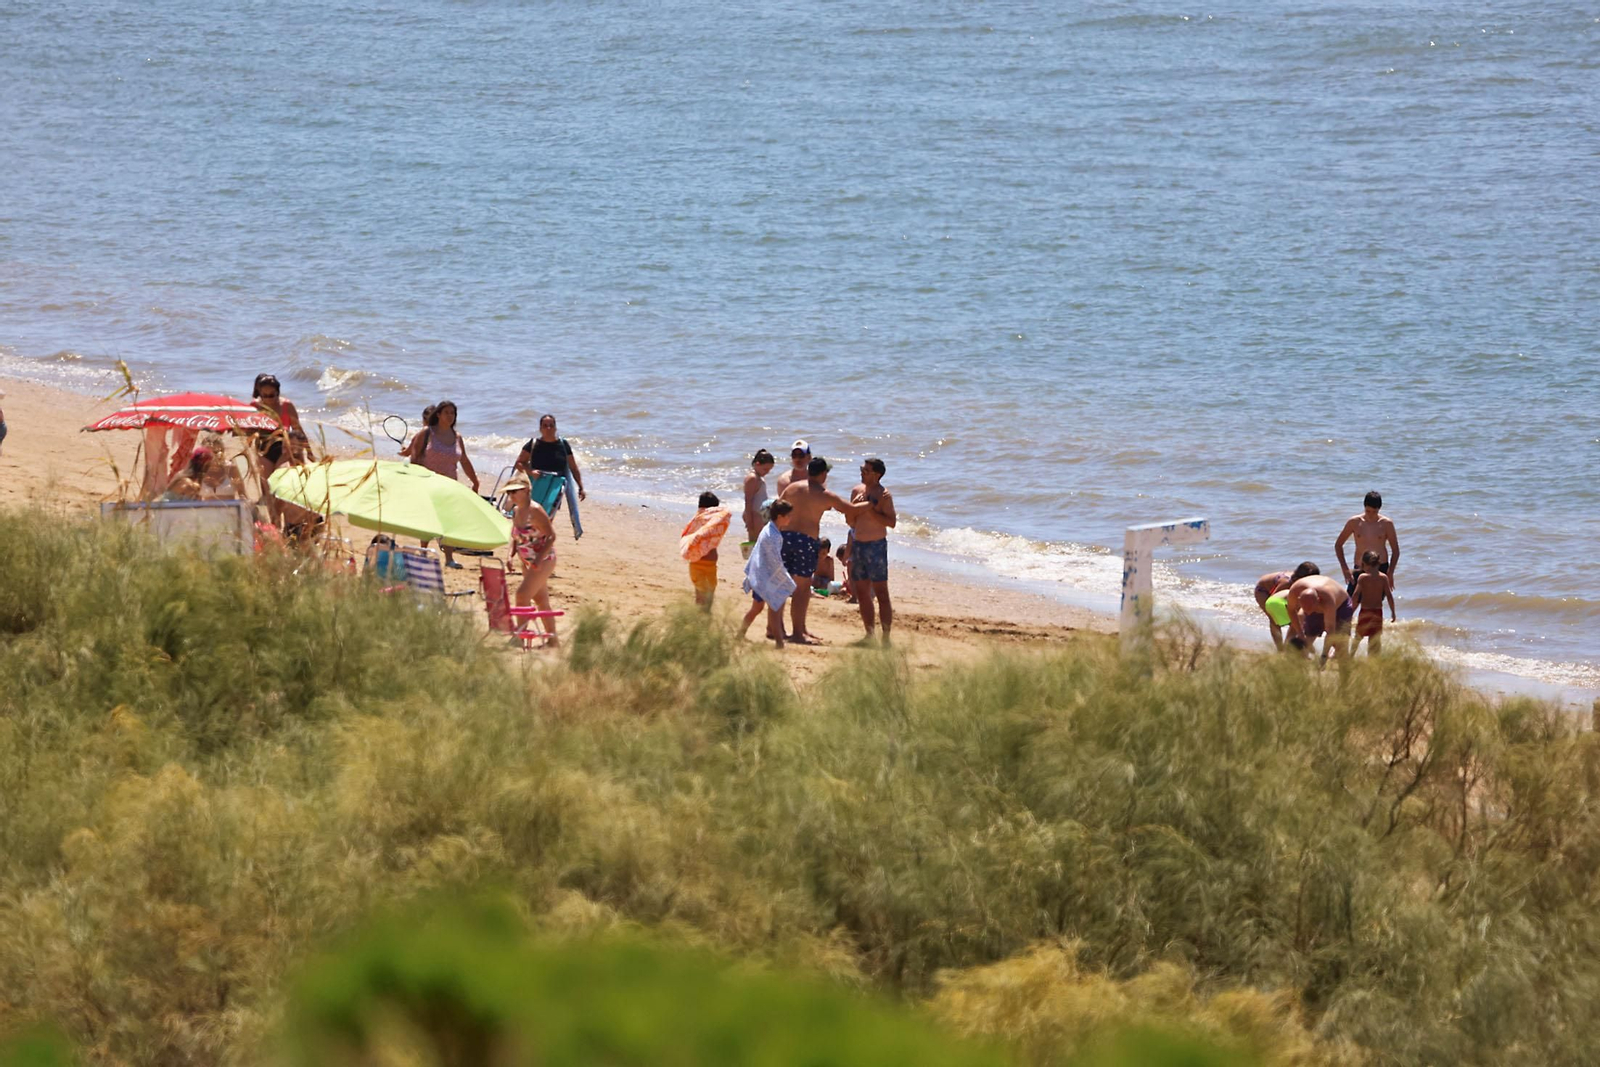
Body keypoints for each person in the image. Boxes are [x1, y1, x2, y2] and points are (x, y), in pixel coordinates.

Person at [777, 456, 872, 644]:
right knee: (802, 588)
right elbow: (850, 510)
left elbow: (777, 508)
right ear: (823, 474)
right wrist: (872, 503)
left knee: (782, 585)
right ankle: (797, 633)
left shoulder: (792, 488)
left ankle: (778, 628)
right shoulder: (824, 494)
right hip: (805, 541)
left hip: (785, 538)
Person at [404, 400, 481, 568]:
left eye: (453, 413)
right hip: (428, 483)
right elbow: (414, 458)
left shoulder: (457, 436)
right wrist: (414, 480)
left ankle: (449, 558)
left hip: (449, 485)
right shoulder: (426, 433)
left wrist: (475, 481)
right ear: (438, 414)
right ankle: (423, 553)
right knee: (428, 520)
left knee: (449, 521)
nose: (450, 416)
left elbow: (464, 460)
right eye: (447, 412)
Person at [504, 473, 559, 647]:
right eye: (509, 492)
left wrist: (538, 560)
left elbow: (551, 536)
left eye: (515, 492)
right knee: (541, 600)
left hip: (543, 560)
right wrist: (510, 555)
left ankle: (519, 637)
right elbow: (515, 536)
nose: (511, 495)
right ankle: (553, 641)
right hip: (527, 560)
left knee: (522, 595)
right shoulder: (516, 511)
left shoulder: (535, 511)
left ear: (527, 490)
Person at [847, 457, 897, 643]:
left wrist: (870, 510)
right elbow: (850, 521)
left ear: (877, 475)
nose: (862, 473)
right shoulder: (856, 491)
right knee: (862, 592)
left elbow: (891, 522)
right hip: (858, 544)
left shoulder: (884, 495)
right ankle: (869, 635)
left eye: (866, 471)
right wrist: (854, 509)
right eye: (862, 469)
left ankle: (886, 638)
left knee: (881, 592)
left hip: (876, 546)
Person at [515, 413, 585, 539]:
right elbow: (519, 463)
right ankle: (529, 544)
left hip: (555, 487)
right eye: (545, 425)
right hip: (535, 485)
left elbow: (573, 467)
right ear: (540, 428)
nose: (548, 428)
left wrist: (581, 487)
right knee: (531, 517)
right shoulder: (533, 444)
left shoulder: (563, 445)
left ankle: (541, 544)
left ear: (555, 428)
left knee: (548, 518)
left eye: (551, 425)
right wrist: (531, 472)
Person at [740, 499, 797, 648]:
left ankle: (740, 634)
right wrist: (785, 579)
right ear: (780, 516)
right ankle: (779, 643)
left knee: (757, 608)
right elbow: (774, 561)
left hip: (760, 576)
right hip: (765, 578)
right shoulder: (773, 535)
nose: (790, 519)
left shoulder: (769, 529)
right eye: (788, 516)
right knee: (774, 609)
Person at [1335, 490, 1400, 596]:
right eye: (1368, 511)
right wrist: (1345, 568)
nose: (1370, 515)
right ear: (1364, 507)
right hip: (1360, 567)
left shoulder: (1386, 524)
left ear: (1379, 509)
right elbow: (1338, 545)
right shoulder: (1354, 522)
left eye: (1374, 512)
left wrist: (1390, 572)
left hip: (1380, 568)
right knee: (1350, 601)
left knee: (1375, 603)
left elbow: (1395, 550)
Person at [1285, 572, 1354, 664]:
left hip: (1341, 605)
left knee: (1340, 645)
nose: (1308, 613)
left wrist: (1324, 655)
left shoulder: (1328, 600)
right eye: (1305, 610)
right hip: (1315, 601)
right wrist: (1300, 634)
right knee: (1307, 640)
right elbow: (1291, 611)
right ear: (1299, 600)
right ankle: (1298, 666)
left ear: (1318, 600)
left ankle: (1343, 668)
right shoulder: (1294, 592)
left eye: (1310, 609)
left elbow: (1330, 631)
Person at [681, 491, 731, 610]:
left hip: (699, 563)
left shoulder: (698, 522)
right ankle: (703, 617)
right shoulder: (706, 523)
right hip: (706, 563)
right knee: (706, 596)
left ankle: (701, 617)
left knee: (702, 595)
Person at [1254, 561, 1320, 649]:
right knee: (1274, 620)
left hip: (1277, 593)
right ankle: (1280, 648)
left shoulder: (1301, 582)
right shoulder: (1286, 582)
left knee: (1295, 620)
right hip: (1263, 591)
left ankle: (1290, 645)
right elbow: (1273, 599)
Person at [250, 373, 305, 477]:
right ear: (260, 394)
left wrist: (309, 452)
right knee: (266, 482)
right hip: (263, 449)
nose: (268, 399)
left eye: (271, 395)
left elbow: (298, 430)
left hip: (284, 449)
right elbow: (247, 431)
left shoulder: (287, 406)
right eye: (264, 396)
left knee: (283, 477)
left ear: (277, 392)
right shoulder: (254, 406)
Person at [1350, 550, 1397, 656]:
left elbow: (1356, 595)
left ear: (1364, 564)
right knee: (1375, 638)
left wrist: (1351, 611)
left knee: (1358, 636)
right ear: (1378, 563)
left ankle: (1351, 656)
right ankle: (1373, 660)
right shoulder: (1383, 577)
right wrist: (1393, 612)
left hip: (1365, 611)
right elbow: (1389, 596)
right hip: (1377, 612)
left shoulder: (1363, 577)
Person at [742, 448, 776, 547]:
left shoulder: (758, 477)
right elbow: (748, 501)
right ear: (757, 464)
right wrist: (749, 522)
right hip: (754, 515)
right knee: (757, 544)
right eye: (765, 469)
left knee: (762, 543)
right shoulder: (752, 478)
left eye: (769, 470)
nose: (767, 472)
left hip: (760, 514)